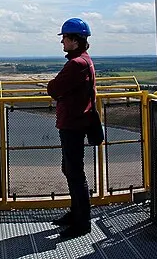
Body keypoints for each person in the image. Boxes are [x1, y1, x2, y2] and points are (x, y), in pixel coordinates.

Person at [46, 17, 101, 237]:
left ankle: (82, 223)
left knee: (75, 173)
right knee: (70, 169)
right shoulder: (85, 60)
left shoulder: (76, 64)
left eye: (65, 39)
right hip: (77, 123)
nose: (62, 43)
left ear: (75, 41)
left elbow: (54, 88)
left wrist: (54, 87)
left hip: (72, 125)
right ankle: (76, 213)